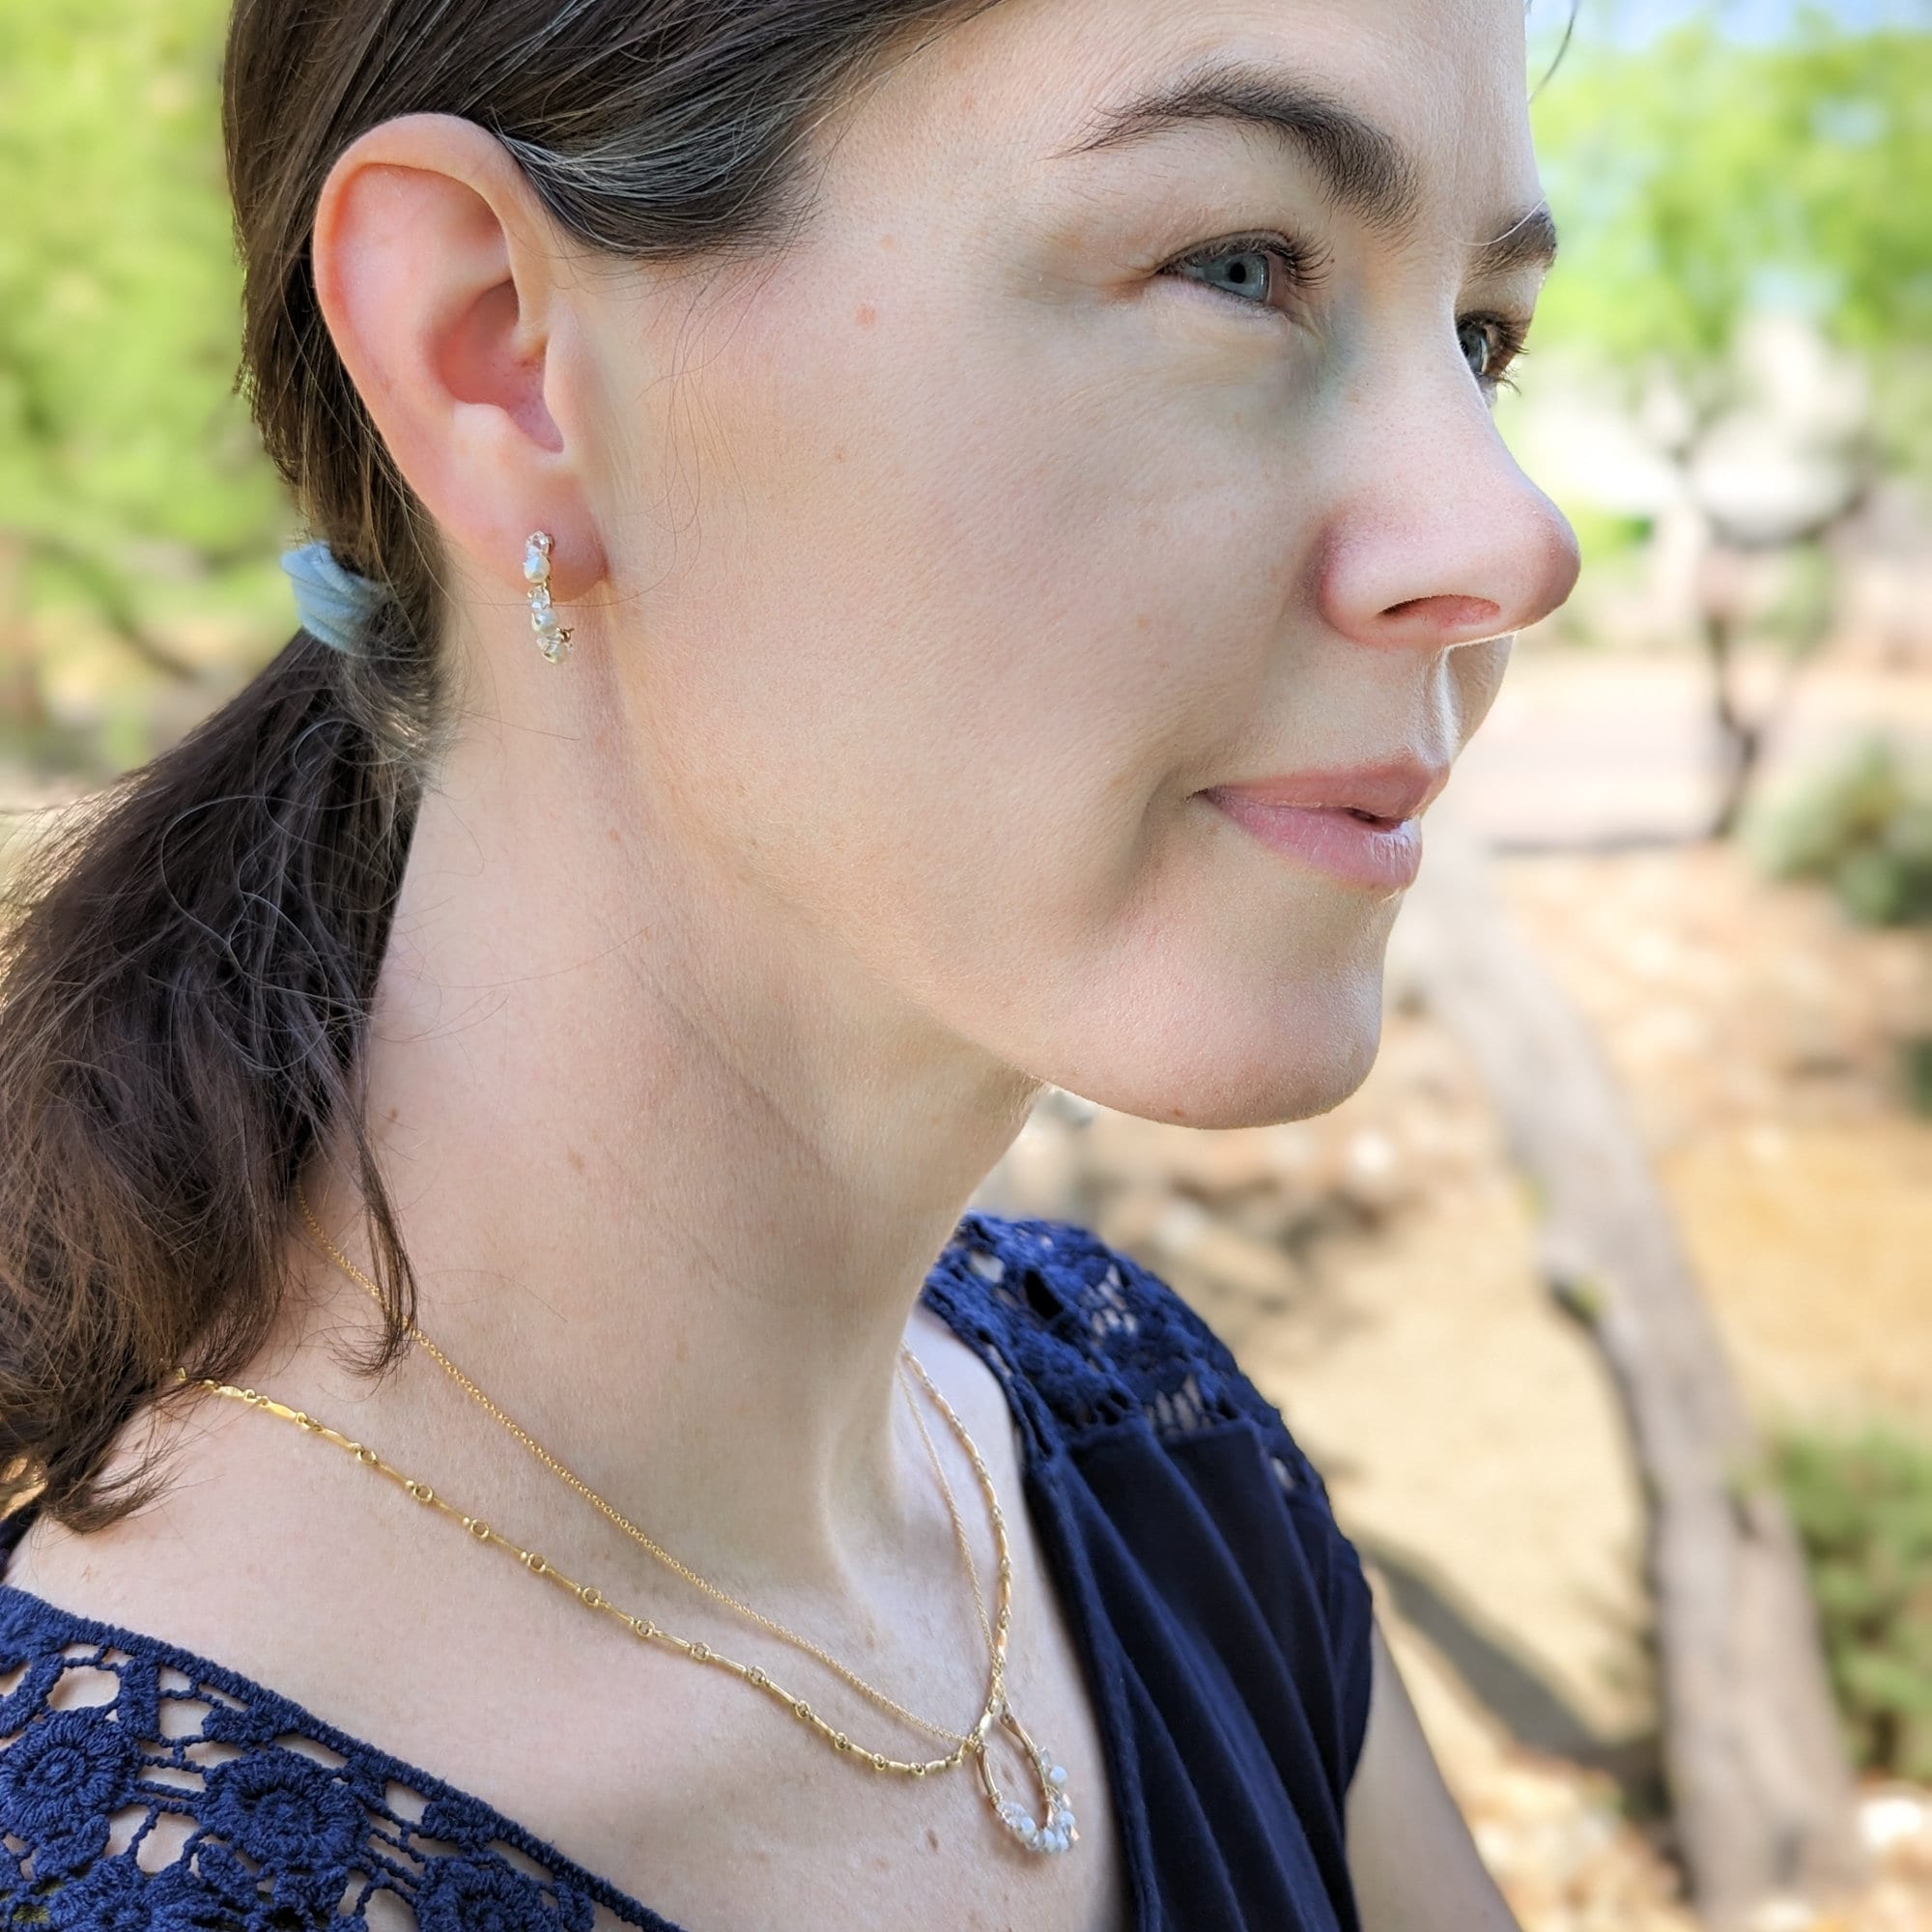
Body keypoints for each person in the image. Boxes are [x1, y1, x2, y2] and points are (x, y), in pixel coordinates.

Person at [0, 0, 1579, 1924]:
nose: (1508, 534)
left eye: (1481, 337)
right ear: (499, 354)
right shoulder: (126, 1870)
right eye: (1238, 265)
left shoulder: (1156, 1456)